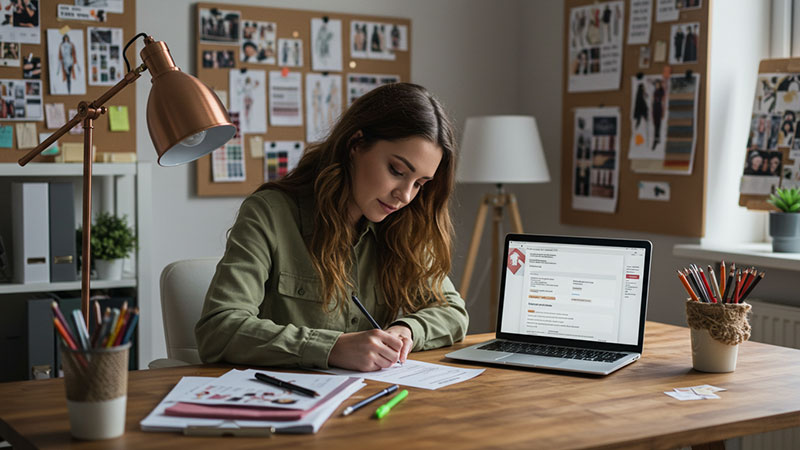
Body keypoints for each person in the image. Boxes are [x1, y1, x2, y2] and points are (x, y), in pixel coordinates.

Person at [195, 83, 468, 371]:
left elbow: (452, 312)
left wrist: (407, 329)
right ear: (356, 144)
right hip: (284, 401)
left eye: (420, 184)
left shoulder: (404, 224)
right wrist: (331, 348)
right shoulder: (270, 214)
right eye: (397, 171)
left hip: (367, 399)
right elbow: (218, 329)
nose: (405, 195)